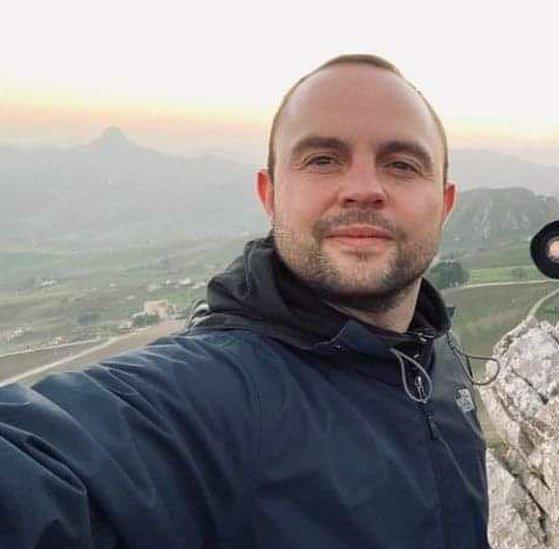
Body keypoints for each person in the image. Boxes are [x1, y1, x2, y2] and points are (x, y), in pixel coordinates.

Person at [0, 54, 488, 548]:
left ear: (444, 205)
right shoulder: (212, 393)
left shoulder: (437, 357)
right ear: (270, 194)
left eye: (402, 165)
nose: (363, 189)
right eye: (322, 159)